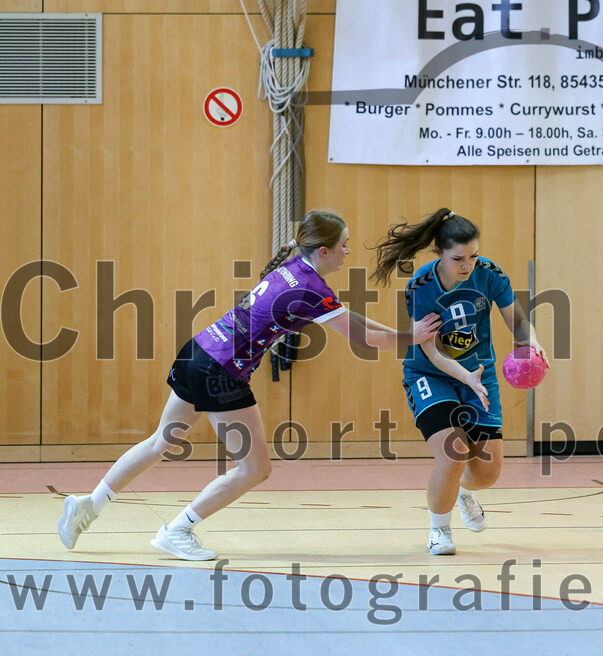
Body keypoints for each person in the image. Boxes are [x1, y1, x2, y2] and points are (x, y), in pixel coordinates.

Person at [57, 210, 441, 560]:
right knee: (255, 468)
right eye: (344, 245)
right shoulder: (311, 289)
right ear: (324, 251)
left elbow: (346, 315)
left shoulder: (297, 269)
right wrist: (411, 337)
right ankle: (178, 530)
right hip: (221, 372)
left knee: (161, 441)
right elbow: (363, 339)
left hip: (198, 352)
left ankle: (89, 504)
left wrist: (401, 332)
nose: (348, 251)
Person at [371, 208, 548, 555]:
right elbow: (433, 349)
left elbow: (517, 320)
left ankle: (464, 492)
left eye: (473, 256)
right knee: (453, 454)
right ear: (439, 253)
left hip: (479, 375)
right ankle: (440, 532)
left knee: (486, 473)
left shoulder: (490, 274)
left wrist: (533, 343)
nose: (467, 265)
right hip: (431, 374)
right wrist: (465, 376)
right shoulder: (421, 287)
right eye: (457, 258)